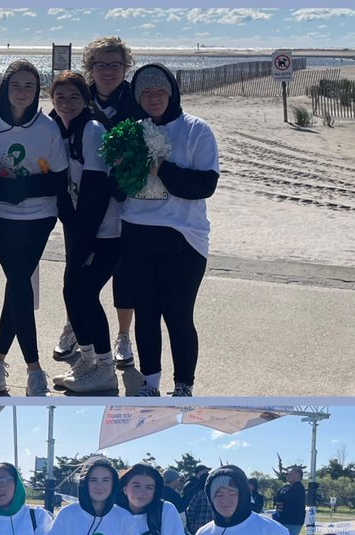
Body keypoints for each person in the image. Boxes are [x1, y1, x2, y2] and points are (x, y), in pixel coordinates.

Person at [116, 64, 220, 397]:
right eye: (145, 92)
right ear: (137, 96)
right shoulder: (130, 131)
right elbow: (119, 188)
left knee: (177, 314)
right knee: (146, 312)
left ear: (172, 92)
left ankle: (183, 385)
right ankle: (150, 382)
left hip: (183, 237)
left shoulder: (196, 130)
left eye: (160, 90)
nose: (153, 97)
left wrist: (159, 165)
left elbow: (202, 186)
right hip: (137, 232)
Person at [0, 60, 69, 397]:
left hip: (39, 218)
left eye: (30, 86)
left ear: (37, 91)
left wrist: (23, 189)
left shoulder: (48, 128)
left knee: (18, 283)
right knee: (18, 282)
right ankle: (32, 367)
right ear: (4, 87)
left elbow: (58, 179)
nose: (22, 92)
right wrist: (0, 192)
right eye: (16, 85)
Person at [49, 71, 120, 395]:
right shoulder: (63, 128)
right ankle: (89, 363)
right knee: (71, 292)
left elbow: (95, 193)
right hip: (83, 228)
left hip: (106, 232)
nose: (66, 103)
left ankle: (105, 369)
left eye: (74, 97)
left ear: (86, 99)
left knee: (85, 294)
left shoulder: (91, 130)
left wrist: (84, 243)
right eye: (60, 97)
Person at [76, 34, 141, 372]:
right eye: (100, 65)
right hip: (87, 201)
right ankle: (77, 325)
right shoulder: (81, 98)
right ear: (91, 67)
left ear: (125, 67)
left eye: (114, 65)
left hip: (126, 203)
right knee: (81, 269)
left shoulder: (135, 101)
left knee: (123, 273)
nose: (107, 71)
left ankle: (124, 335)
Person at [273, 466, 307, 535]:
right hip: (285, 520)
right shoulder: (287, 487)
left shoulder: (297, 488)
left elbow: (283, 498)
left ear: (297, 475)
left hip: (292, 522)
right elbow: (276, 498)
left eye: (290, 474)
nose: (287, 475)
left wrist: (280, 499)